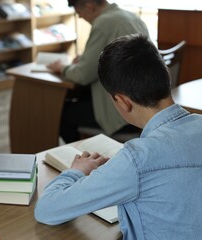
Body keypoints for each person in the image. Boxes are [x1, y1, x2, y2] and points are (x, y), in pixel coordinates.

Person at [34, 34, 202, 239]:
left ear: (122, 102)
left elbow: (48, 209)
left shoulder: (136, 160)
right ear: (166, 75)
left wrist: (76, 172)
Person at [48, 0, 149, 143]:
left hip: (122, 114)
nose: (81, 17)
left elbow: (82, 75)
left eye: (79, 13)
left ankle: (77, 159)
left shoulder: (104, 23)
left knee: (60, 114)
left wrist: (62, 68)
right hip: (142, 106)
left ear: (89, 6)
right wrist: (86, 59)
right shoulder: (131, 17)